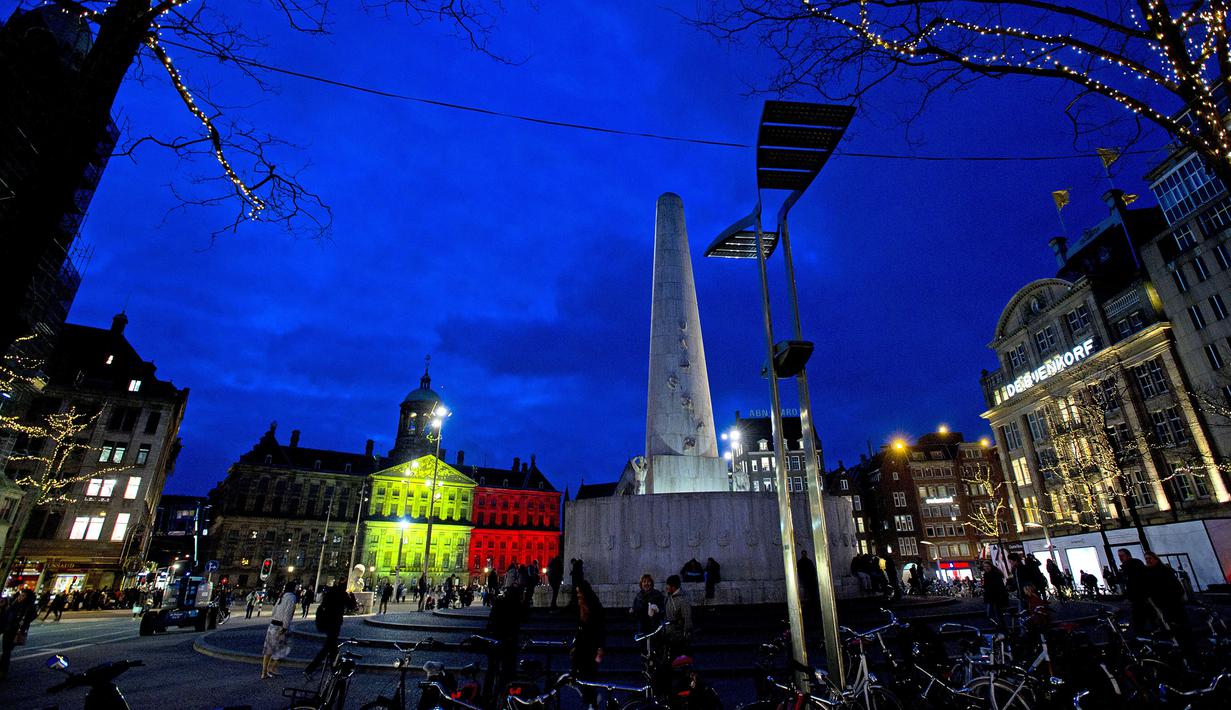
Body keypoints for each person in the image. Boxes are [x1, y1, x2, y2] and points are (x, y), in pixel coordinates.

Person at [1142, 551, 1192, 649]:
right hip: (1161, 604)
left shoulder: (1165, 570)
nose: (1148, 561)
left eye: (1150, 558)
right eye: (1146, 559)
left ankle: (1186, 645)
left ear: (1155, 559)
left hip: (1173, 602)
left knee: (1180, 625)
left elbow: (1176, 586)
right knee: (1169, 625)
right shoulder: (1148, 572)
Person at [305, 579, 350, 680]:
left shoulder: (330, 592)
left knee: (331, 647)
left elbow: (323, 605)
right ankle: (311, 669)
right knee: (329, 647)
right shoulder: (343, 594)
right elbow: (351, 605)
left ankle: (333, 669)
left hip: (326, 622)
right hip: (335, 623)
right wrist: (351, 596)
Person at [571, 581, 605, 708]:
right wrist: (575, 645)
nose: (578, 595)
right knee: (579, 674)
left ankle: (592, 701)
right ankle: (591, 698)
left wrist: (600, 647)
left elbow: (600, 627)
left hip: (592, 644)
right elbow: (579, 627)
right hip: (582, 643)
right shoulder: (579, 605)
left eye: (580, 592)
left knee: (589, 674)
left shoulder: (594, 605)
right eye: (577, 592)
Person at [262, 581, 297, 679]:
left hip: (272, 624)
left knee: (268, 648)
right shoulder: (292, 598)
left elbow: (273, 611)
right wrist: (285, 627)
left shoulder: (281, 596)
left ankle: (264, 672)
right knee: (283, 648)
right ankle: (273, 668)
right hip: (280, 626)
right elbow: (288, 613)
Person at [0, 589, 36, 679]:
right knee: (6, 650)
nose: (20, 597)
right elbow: (6, 615)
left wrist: (21, 623)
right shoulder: (15, 604)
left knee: (6, 651)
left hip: (14, 631)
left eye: (23, 596)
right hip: (6, 628)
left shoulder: (28, 608)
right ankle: (3, 668)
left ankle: (3, 670)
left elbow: (30, 618)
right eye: (20, 595)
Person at [1118, 548, 1150, 634]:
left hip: (1139, 595)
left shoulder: (1133, 565)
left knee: (1139, 615)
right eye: (1119, 556)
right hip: (1137, 595)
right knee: (1139, 615)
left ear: (1128, 555)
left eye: (1122, 556)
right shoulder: (1129, 566)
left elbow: (1134, 581)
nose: (1120, 558)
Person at [662, 574, 693, 659]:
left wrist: (686, 634)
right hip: (668, 634)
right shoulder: (667, 597)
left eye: (668, 586)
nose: (666, 588)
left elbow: (687, 618)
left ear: (673, 587)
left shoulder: (683, 599)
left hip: (678, 636)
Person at [630, 574, 665, 640]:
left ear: (651, 583)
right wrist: (632, 611)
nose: (646, 583)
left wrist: (657, 610)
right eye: (644, 581)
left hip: (654, 627)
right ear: (641, 584)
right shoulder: (638, 596)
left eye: (648, 581)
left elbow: (662, 609)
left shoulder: (657, 594)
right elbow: (635, 611)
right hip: (641, 628)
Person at [981, 560, 1009, 630]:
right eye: (985, 566)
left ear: (991, 566)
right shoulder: (987, 575)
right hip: (991, 597)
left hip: (996, 597)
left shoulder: (995, 574)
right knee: (993, 614)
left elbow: (997, 586)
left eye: (988, 566)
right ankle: (1000, 626)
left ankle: (1002, 627)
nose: (986, 568)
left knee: (996, 613)